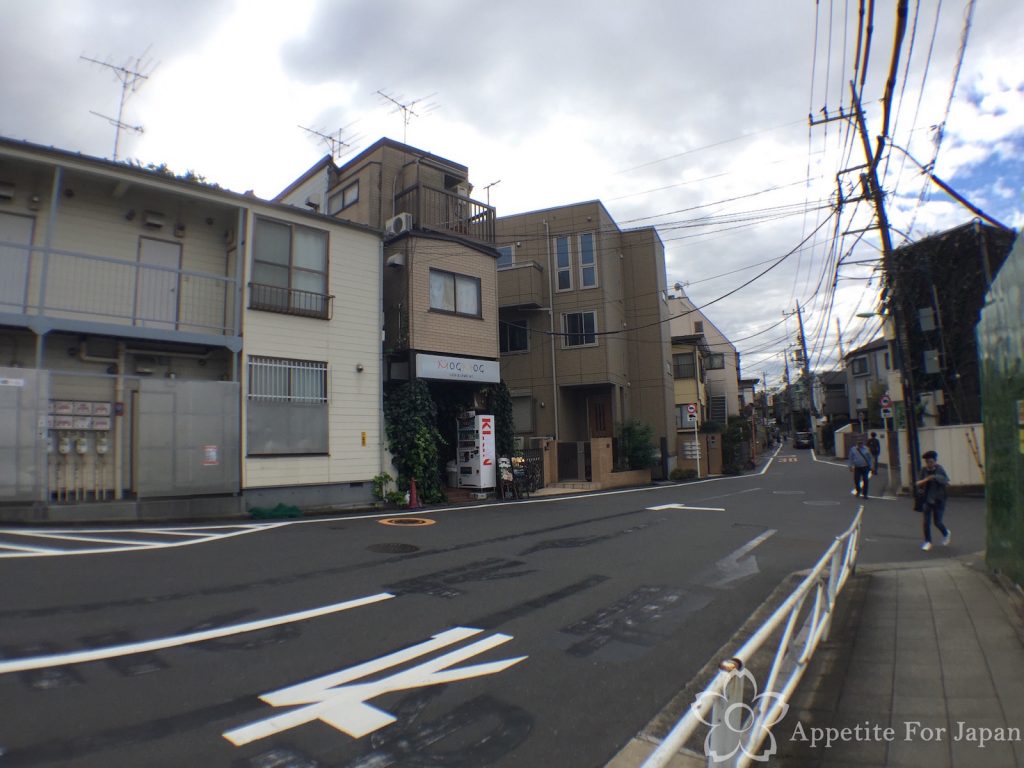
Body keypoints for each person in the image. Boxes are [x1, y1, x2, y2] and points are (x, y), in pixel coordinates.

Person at [916, 450, 950, 551]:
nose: (929, 464)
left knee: (937, 522)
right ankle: (928, 541)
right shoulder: (923, 470)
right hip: (927, 499)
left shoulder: (940, 469)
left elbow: (945, 480)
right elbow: (919, 482)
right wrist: (921, 486)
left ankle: (946, 533)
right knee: (926, 522)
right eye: (927, 462)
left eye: (931, 462)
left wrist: (933, 477)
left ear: (935, 461)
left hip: (939, 500)